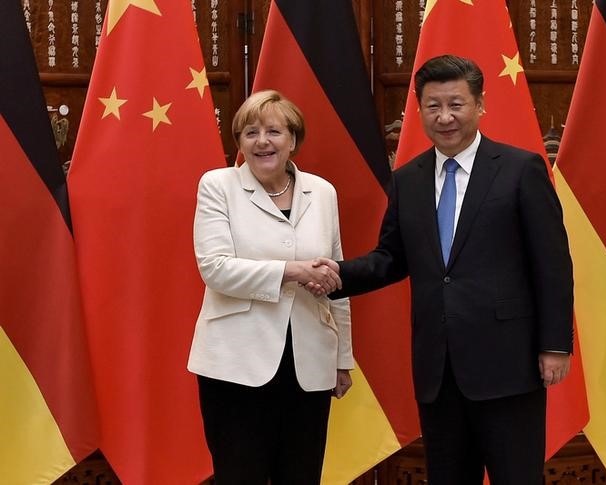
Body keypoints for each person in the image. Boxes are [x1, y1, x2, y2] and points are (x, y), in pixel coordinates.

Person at [313, 55, 573, 484]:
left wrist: (555, 345)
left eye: (456, 104)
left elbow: (552, 263)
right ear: (419, 109)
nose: (445, 117)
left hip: (508, 363)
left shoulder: (519, 168)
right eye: (433, 106)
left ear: (480, 105)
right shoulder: (408, 179)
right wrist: (334, 275)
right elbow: (390, 258)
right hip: (438, 367)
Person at [187, 89, 353, 485]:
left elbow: (336, 278)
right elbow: (216, 269)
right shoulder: (218, 185)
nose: (262, 141)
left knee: (302, 475)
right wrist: (292, 270)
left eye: (274, 131)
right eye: (250, 132)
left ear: (293, 140)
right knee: (240, 475)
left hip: (311, 362)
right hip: (235, 365)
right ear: (240, 142)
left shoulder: (323, 192)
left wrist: (343, 356)